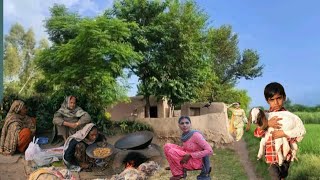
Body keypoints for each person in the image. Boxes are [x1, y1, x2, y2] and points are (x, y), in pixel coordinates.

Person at [246, 82, 306, 180]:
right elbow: (257, 133)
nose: (276, 102)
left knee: (282, 176)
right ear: (267, 101)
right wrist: (267, 124)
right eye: (272, 100)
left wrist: (283, 133)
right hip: (271, 155)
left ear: (284, 97)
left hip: (286, 155)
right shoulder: (265, 116)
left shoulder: (289, 117)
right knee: (274, 176)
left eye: (279, 98)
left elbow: (297, 135)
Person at [164, 116, 213, 180]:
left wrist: (190, 155)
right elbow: (187, 148)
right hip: (187, 154)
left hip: (196, 161)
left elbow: (210, 151)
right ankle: (174, 165)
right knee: (167, 146)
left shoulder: (196, 135)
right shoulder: (185, 135)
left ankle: (178, 174)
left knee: (172, 152)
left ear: (190, 124)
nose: (184, 125)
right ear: (179, 125)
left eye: (187, 123)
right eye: (182, 123)